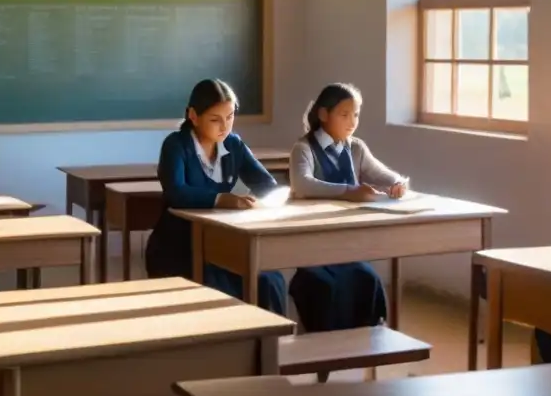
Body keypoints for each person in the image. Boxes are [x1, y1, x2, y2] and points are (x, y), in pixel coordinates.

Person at [146, 79, 287, 315]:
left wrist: (269, 201)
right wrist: (222, 199)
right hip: (179, 245)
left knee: (269, 279)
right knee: (216, 284)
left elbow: (266, 184)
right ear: (193, 115)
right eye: (215, 119)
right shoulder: (176, 145)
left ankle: (269, 344)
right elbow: (176, 192)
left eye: (230, 117)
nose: (225, 126)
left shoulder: (233, 144)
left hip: (221, 240)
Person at [288, 83, 406, 332]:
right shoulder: (304, 148)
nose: (352, 121)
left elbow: (382, 174)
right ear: (323, 114)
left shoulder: (356, 148)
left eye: (356, 114)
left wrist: (396, 183)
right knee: (323, 286)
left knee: (367, 278)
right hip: (313, 243)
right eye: (344, 114)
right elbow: (302, 184)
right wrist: (348, 192)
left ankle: (360, 346)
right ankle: (325, 350)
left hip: (348, 243)